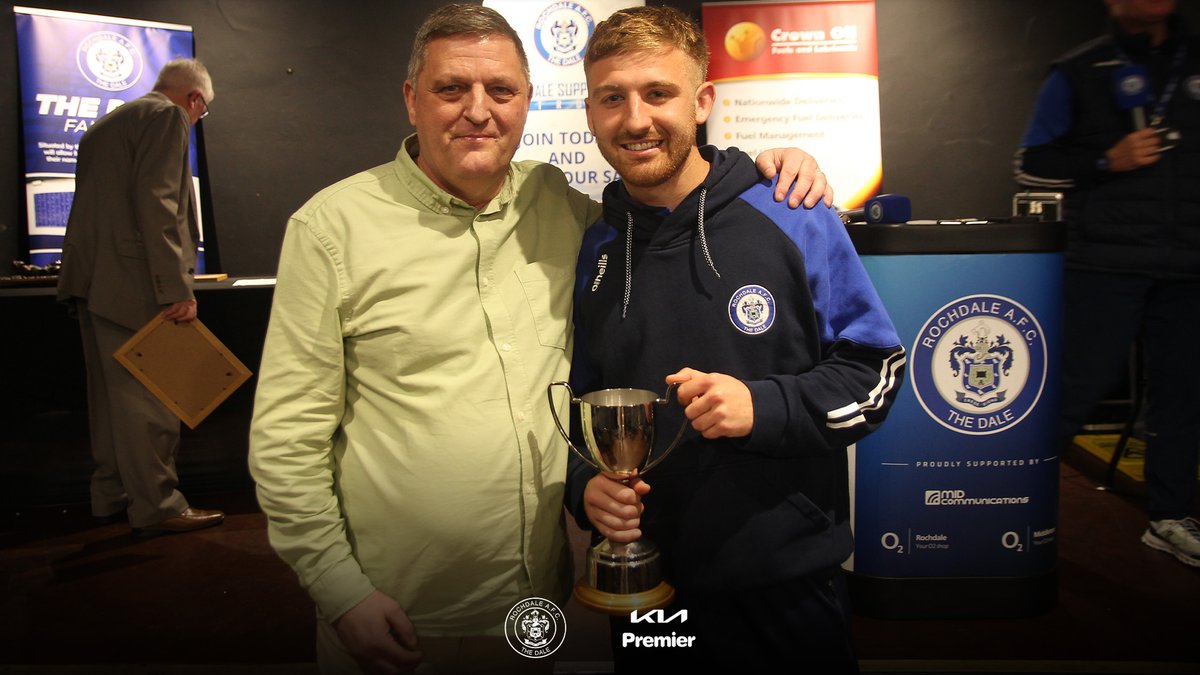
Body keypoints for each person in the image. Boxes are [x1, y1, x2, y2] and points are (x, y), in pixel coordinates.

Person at [247, 5, 833, 674]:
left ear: (528, 101)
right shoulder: (332, 229)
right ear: (412, 100)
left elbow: (666, 206)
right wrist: (340, 590)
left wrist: (762, 173)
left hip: (535, 604)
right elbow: (286, 440)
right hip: (397, 610)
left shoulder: (563, 208)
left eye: (500, 90)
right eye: (450, 89)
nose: (477, 110)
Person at [564, 6, 906, 672]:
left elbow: (878, 371)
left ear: (702, 102)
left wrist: (766, 407)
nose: (636, 119)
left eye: (658, 93)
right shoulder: (595, 247)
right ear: (591, 111)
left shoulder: (794, 214)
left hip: (786, 586)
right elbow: (581, 405)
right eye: (613, 98)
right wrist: (584, 486)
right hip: (648, 593)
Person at [1014, 0, 1199, 567]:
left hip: (1190, 263)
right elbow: (1030, 165)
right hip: (1105, 264)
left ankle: (1170, 518)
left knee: (1184, 399)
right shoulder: (1081, 68)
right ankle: (1013, 508)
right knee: (1070, 393)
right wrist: (1105, 161)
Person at [56, 58, 224, 537]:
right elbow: (158, 202)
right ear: (194, 98)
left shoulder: (105, 126)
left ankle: (109, 496)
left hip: (92, 282)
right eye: (203, 111)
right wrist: (175, 287)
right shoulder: (166, 117)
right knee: (152, 404)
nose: (197, 119)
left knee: (109, 403)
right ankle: (160, 506)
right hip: (137, 287)